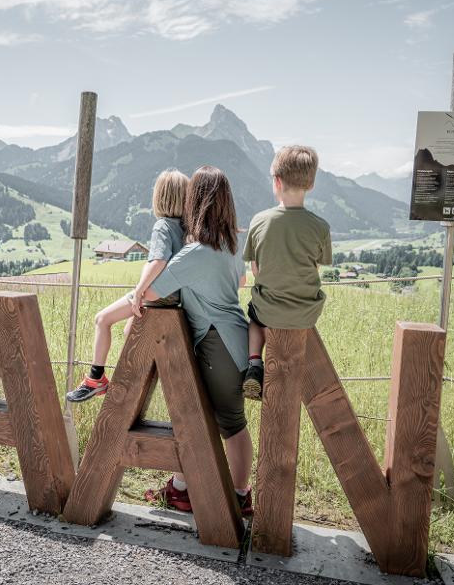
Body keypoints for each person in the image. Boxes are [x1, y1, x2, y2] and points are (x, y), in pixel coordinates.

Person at [139, 165, 254, 515]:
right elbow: (239, 284)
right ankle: (230, 493)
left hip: (215, 344)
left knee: (218, 421)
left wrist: (137, 293)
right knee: (226, 420)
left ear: (196, 202)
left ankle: (208, 494)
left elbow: (151, 292)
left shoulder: (195, 253)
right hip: (238, 339)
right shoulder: (233, 244)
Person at [66, 169, 189, 402]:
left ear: (160, 196)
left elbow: (158, 261)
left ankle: (96, 379)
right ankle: (135, 376)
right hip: (174, 296)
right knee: (128, 331)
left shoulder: (163, 226)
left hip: (156, 295)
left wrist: (139, 291)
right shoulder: (185, 227)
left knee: (102, 319)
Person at [242, 145, 332, 400]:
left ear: (277, 181)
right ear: (311, 184)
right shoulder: (320, 227)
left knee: (254, 318)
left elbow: (257, 271)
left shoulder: (260, 221)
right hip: (306, 314)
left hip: (268, 311)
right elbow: (315, 268)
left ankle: (254, 362)